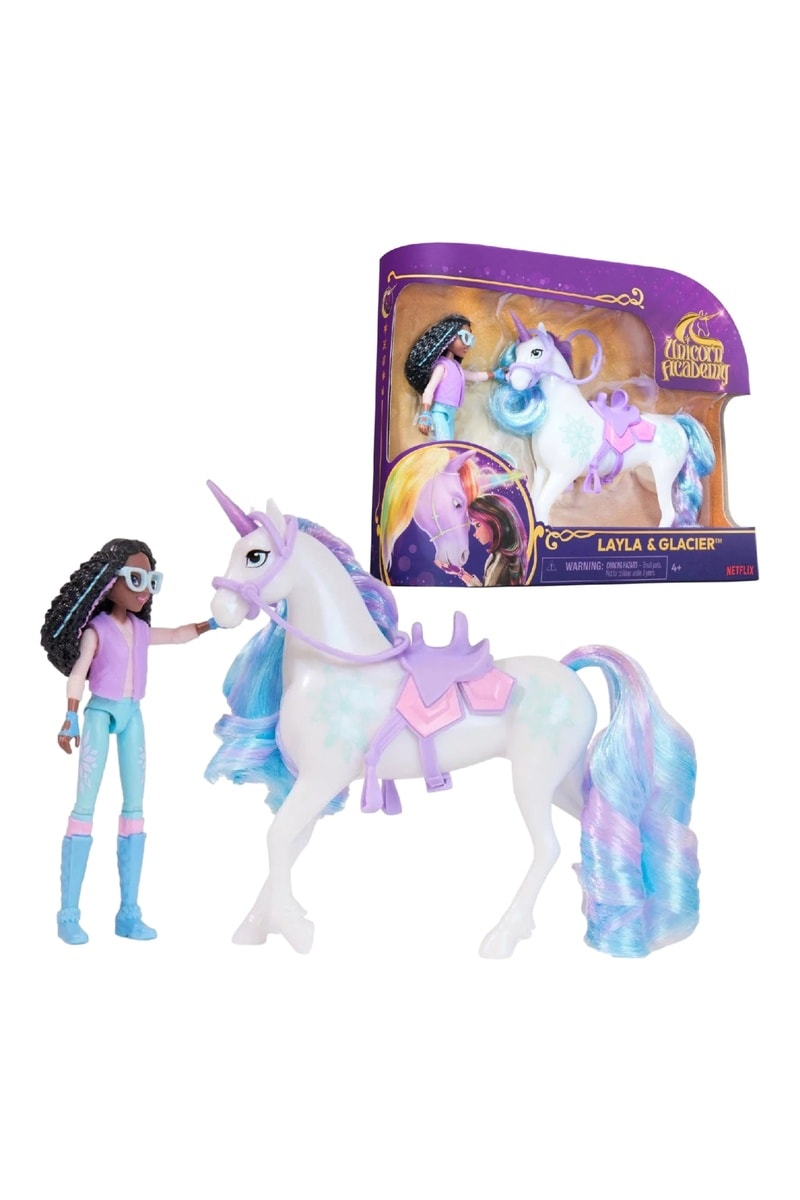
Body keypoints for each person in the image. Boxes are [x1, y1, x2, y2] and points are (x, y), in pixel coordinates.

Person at [41, 538, 216, 944]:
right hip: (100, 714)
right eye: (136, 579)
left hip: (132, 715)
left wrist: (212, 624)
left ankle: (129, 913)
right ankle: (68, 915)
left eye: (152, 581)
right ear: (110, 581)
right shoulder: (96, 630)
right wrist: (70, 716)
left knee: (135, 809)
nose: (144, 590)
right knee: (84, 807)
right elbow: (78, 673)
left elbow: (175, 636)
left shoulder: (140, 629)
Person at [404, 314, 498, 440]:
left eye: (471, 340)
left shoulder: (456, 367)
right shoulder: (441, 367)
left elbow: (474, 376)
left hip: (451, 414)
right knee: (445, 443)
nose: (468, 345)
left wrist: (495, 374)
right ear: (449, 336)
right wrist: (425, 414)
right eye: (465, 337)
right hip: (439, 413)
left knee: (450, 444)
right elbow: (429, 390)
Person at [461, 495, 528, 587]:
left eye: (478, 525)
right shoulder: (499, 556)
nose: (475, 534)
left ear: (495, 522)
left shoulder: (502, 561)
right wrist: (461, 573)